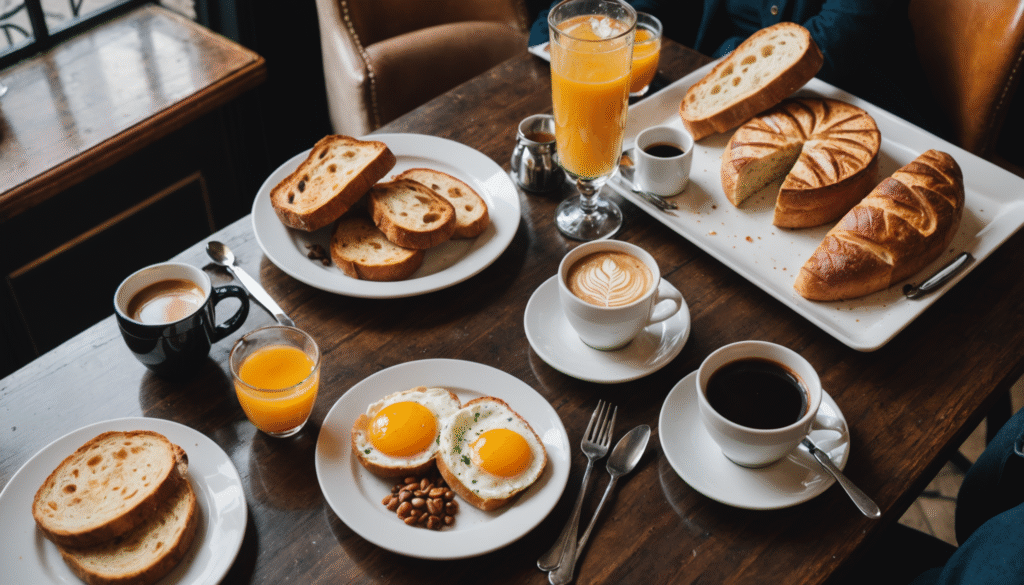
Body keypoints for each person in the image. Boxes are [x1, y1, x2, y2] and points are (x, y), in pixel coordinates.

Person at [527, 0, 949, 140]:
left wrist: (725, 60)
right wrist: (574, 26)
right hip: (729, 114)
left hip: (866, 117)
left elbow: (831, 46)